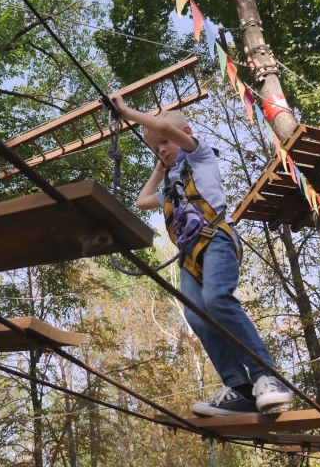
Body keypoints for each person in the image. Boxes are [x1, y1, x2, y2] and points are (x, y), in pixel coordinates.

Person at [111, 96, 295, 416]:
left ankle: (267, 376)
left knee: (217, 300)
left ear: (185, 133)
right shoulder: (168, 182)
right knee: (196, 315)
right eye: (157, 148)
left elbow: (165, 125)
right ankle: (239, 387)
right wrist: (159, 164)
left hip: (217, 239)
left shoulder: (201, 156)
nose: (163, 148)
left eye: (166, 143)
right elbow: (142, 202)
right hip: (189, 256)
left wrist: (127, 114)